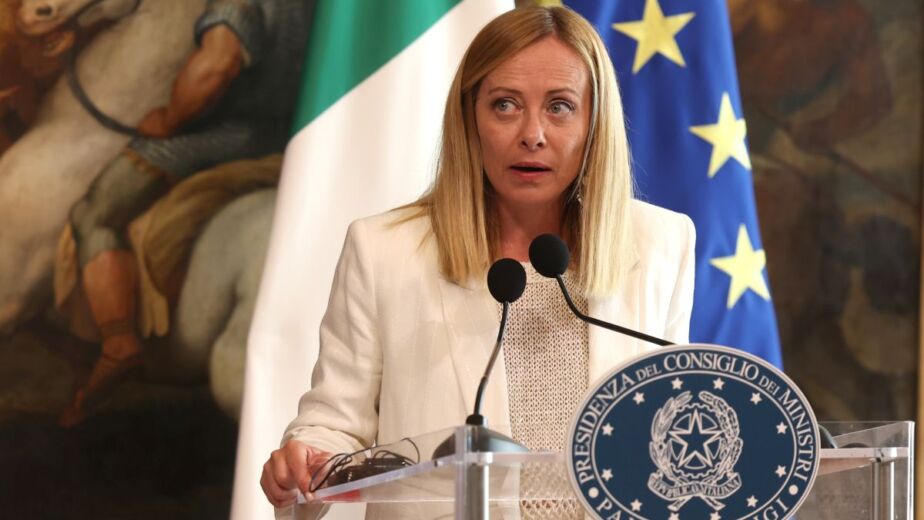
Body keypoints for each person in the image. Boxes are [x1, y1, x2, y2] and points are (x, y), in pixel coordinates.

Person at [261, 6, 695, 519]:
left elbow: (674, 420)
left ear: (594, 123)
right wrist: (304, 461)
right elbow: (334, 425)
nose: (532, 133)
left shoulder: (662, 244)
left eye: (560, 107)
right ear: (470, 118)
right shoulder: (385, 251)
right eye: (505, 105)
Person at [58, 0, 310, 426]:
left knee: (94, 213)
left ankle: (118, 343)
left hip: (224, 138)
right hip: (290, 140)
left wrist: (169, 118)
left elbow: (216, 66)